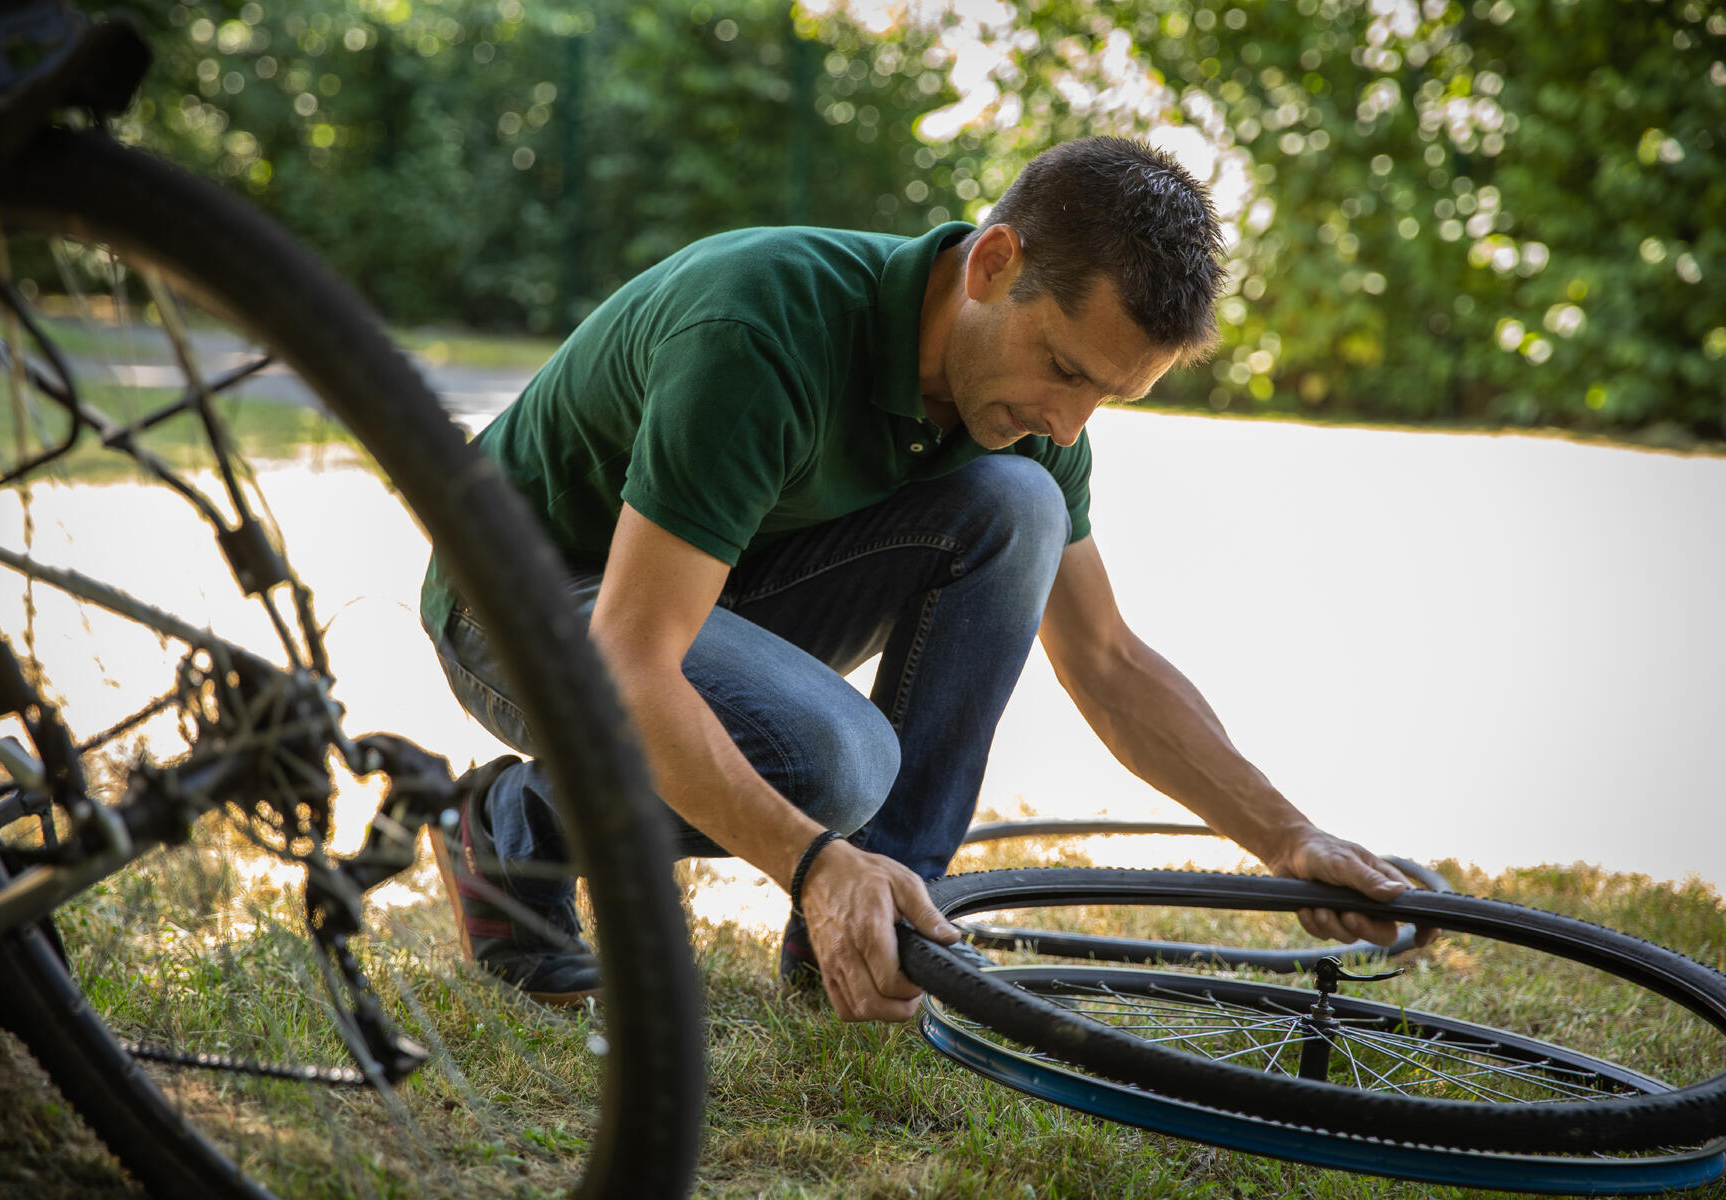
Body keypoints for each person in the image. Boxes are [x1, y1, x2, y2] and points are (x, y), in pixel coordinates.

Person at [421, 135, 1412, 1023]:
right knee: (837, 763)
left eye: (1108, 395)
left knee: (1025, 502)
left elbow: (1104, 660)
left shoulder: (1033, 423)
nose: (1069, 423)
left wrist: (1286, 836)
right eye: (1064, 369)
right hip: (525, 609)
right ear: (992, 263)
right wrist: (811, 859)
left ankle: (881, 928)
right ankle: (514, 828)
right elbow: (634, 662)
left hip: (709, 598)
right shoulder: (759, 334)